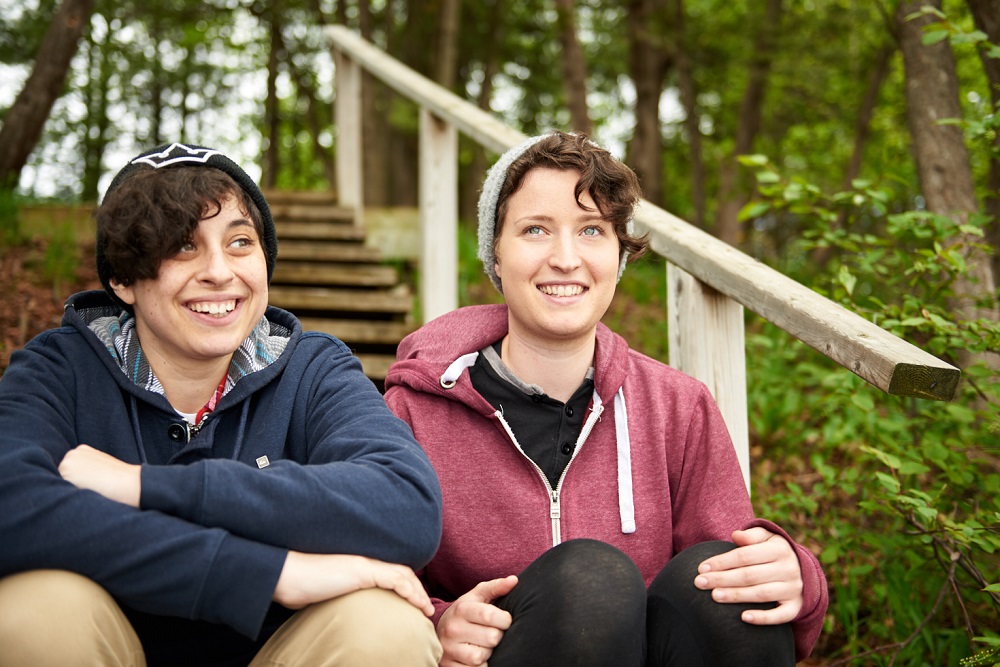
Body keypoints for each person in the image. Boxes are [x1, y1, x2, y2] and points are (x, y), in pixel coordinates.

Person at [384, 131, 829, 666]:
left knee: (725, 589)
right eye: (535, 230)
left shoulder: (678, 405)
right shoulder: (412, 412)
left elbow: (726, 570)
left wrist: (795, 576)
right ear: (495, 255)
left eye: (591, 229)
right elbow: (375, 583)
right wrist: (436, 624)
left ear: (619, 253)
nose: (565, 259)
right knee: (591, 579)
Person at [0, 143, 444, 667]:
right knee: (32, 609)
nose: (220, 271)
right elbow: (12, 508)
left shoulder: (312, 367)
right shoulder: (61, 367)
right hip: (106, 645)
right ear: (123, 279)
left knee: (385, 626)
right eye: (183, 247)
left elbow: (407, 504)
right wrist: (270, 573)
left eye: (239, 243)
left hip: (277, 652)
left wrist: (141, 486)